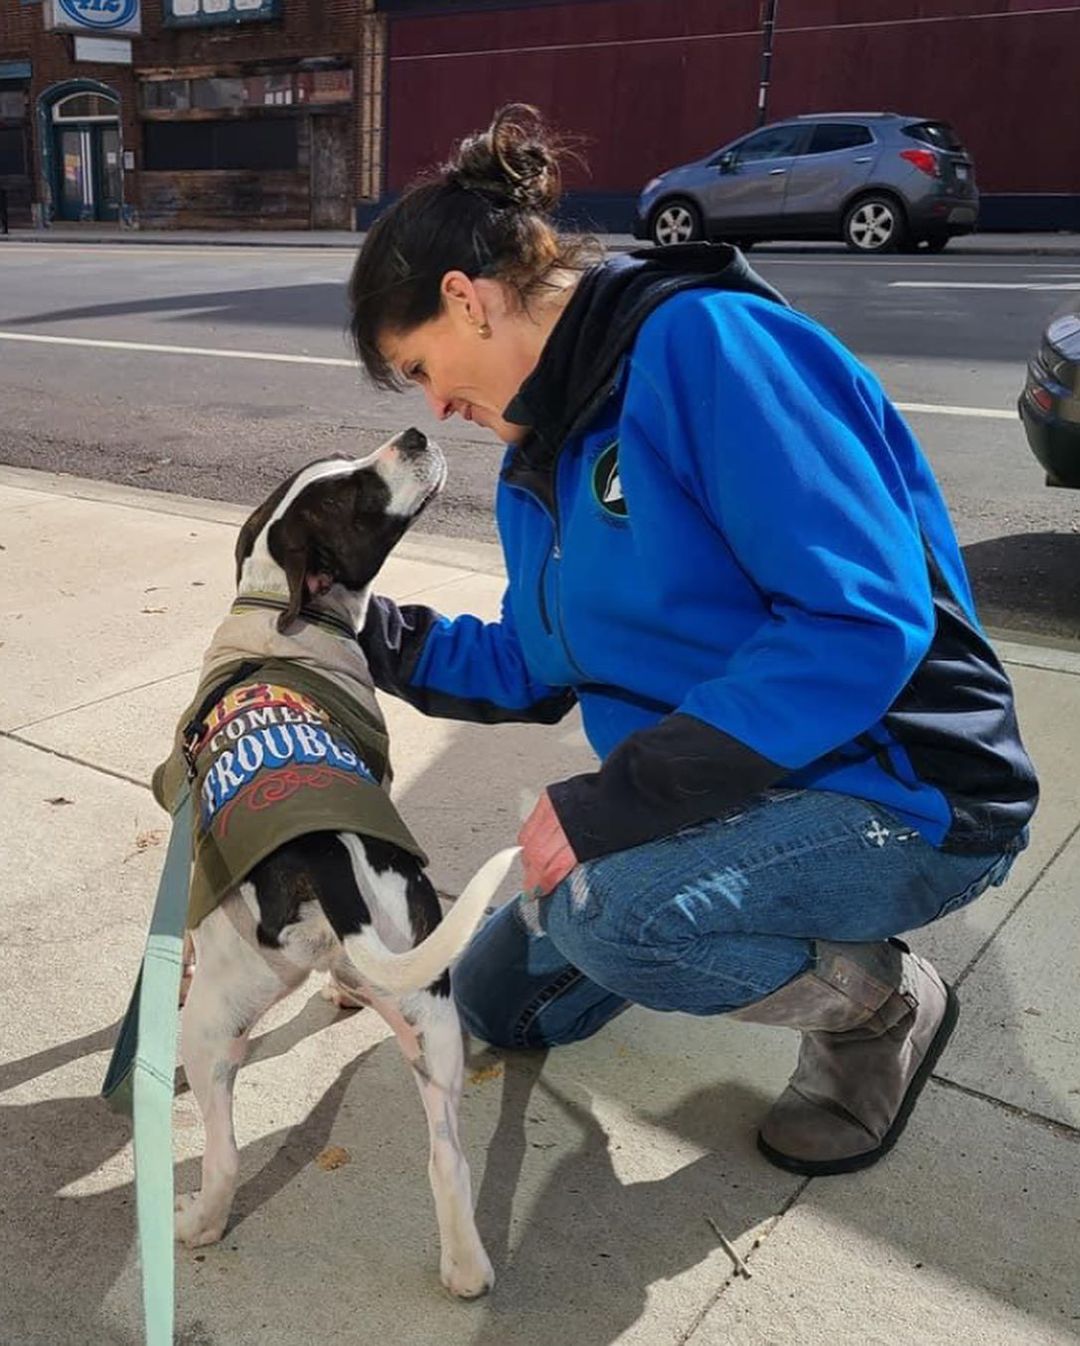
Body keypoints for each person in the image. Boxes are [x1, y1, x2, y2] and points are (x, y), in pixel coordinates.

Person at [346, 106, 1037, 1177]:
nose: (436, 402)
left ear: (465, 300)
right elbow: (542, 660)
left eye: (420, 365)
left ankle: (879, 1008)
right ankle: (693, 903)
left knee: (614, 914)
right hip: (729, 788)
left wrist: (620, 806)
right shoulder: (546, 449)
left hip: (900, 791)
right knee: (493, 999)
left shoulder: (706, 345)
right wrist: (358, 632)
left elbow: (862, 621)